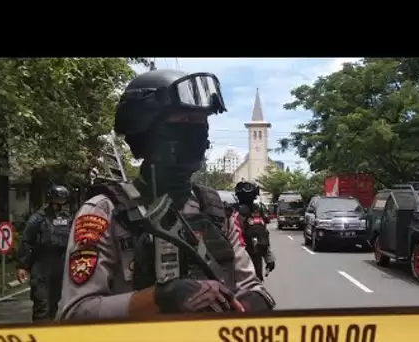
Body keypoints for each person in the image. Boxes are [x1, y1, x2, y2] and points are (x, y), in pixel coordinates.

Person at [56, 69, 276, 320]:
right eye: (184, 123)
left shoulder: (214, 209)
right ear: (146, 132)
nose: (197, 135)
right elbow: (74, 313)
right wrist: (159, 299)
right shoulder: (105, 212)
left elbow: (254, 288)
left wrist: (243, 306)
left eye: (201, 124)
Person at [16, 184, 72, 321]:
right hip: (42, 264)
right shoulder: (38, 218)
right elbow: (26, 241)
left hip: (61, 264)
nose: (60, 204)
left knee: (56, 304)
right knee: (42, 304)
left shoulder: (69, 218)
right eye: (57, 200)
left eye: (62, 200)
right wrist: (22, 266)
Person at [233, 181, 276, 281]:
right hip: (236, 262)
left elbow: (262, 237)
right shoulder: (231, 214)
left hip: (254, 261)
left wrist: (269, 258)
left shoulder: (257, 212)